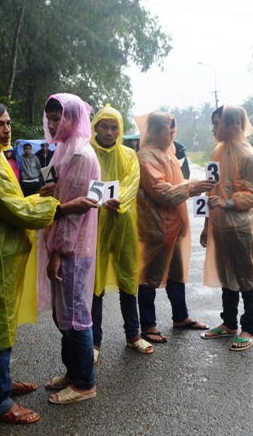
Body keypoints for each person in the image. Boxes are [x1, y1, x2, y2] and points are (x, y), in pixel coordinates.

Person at [0, 100, 96, 424]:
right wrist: (61, 207)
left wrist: (41, 198)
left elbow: (14, 202)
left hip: (3, 255)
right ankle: (0, 403)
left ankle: (1, 384)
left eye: (8, 123)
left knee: (7, 324)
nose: (6, 130)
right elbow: (15, 210)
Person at [38, 93, 100, 405]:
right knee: (64, 312)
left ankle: (85, 383)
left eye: (57, 118)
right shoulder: (63, 149)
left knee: (77, 316)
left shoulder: (79, 155)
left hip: (72, 247)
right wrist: (46, 192)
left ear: (73, 119)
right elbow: (59, 196)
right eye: (49, 118)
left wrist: (58, 254)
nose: (51, 124)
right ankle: (74, 371)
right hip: (63, 243)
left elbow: (73, 214)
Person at [135, 111, 215, 344]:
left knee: (176, 274)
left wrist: (193, 187)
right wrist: (191, 187)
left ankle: (181, 316)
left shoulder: (167, 153)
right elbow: (161, 191)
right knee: (149, 275)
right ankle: (148, 324)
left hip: (175, 224)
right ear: (154, 131)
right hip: (157, 226)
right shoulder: (146, 156)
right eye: (167, 130)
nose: (172, 134)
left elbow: (175, 185)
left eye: (173, 130)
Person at [199, 105, 253, 351]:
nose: (214, 128)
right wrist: (207, 224)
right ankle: (229, 323)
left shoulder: (248, 156)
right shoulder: (219, 151)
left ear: (234, 125)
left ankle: (248, 328)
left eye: (218, 122)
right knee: (227, 277)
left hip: (241, 228)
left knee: (246, 279)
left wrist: (229, 202)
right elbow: (212, 190)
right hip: (220, 226)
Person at [90, 104, 153, 362]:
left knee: (128, 276)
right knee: (95, 282)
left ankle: (133, 334)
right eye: (104, 125)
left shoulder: (128, 155)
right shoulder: (87, 154)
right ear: (95, 127)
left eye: (114, 126)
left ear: (120, 129)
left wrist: (119, 202)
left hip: (123, 220)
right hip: (94, 223)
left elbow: (131, 181)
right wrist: (99, 203)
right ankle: (94, 342)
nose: (109, 131)